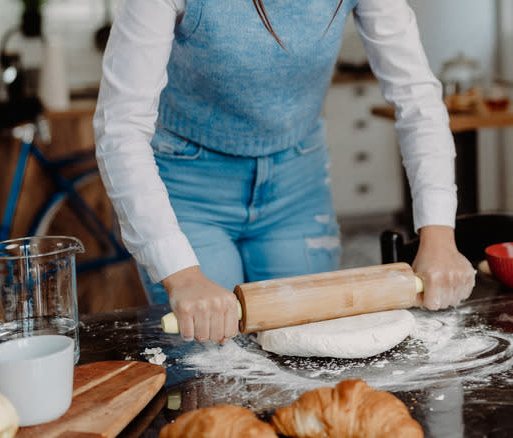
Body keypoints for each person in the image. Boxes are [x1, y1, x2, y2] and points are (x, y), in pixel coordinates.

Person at [93, 0, 476, 344]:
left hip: (297, 184)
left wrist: (439, 236)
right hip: (188, 187)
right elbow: (120, 127)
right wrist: (182, 275)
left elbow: (417, 101)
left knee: (310, 356)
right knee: (212, 370)